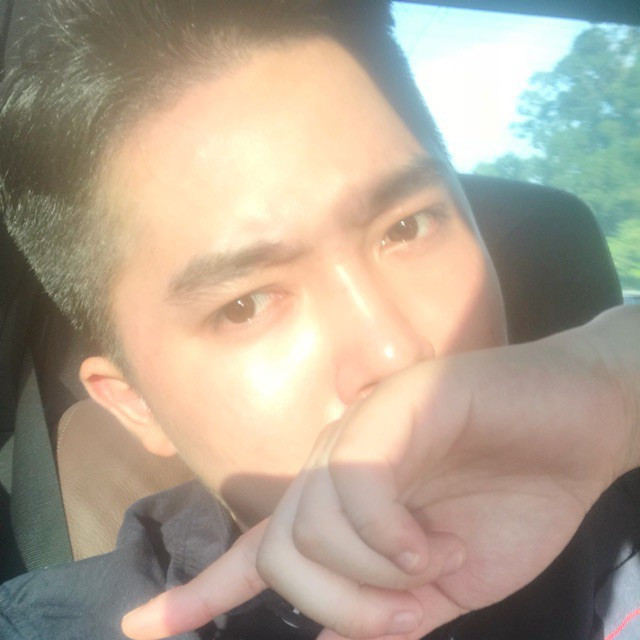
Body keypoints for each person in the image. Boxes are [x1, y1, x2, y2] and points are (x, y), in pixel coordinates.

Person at [0, 1, 638, 639]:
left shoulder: (616, 480)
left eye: (407, 226)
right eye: (244, 305)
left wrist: (617, 383)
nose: (396, 353)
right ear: (135, 403)